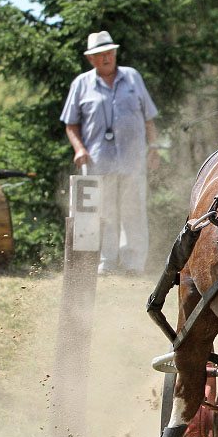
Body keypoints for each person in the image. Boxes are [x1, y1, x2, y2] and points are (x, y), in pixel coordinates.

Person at [60, 31, 159, 275]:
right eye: (101, 54)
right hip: (98, 161)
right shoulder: (81, 84)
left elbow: (149, 118)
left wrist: (153, 148)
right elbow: (70, 124)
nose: (107, 58)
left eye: (110, 52)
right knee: (105, 213)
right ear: (91, 59)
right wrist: (79, 149)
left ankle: (133, 264)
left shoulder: (133, 78)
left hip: (132, 159)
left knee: (134, 211)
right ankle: (105, 264)